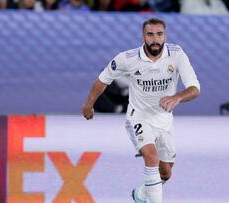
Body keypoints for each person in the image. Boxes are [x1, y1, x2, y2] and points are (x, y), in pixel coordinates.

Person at [82, 18, 200, 203]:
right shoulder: (127, 58)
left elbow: (194, 88)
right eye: (150, 34)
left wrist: (177, 97)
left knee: (166, 172)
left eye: (159, 34)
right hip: (138, 117)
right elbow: (102, 80)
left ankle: (141, 194)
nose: (155, 39)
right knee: (151, 156)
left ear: (165, 36)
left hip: (164, 120)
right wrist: (88, 105)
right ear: (142, 36)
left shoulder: (176, 55)